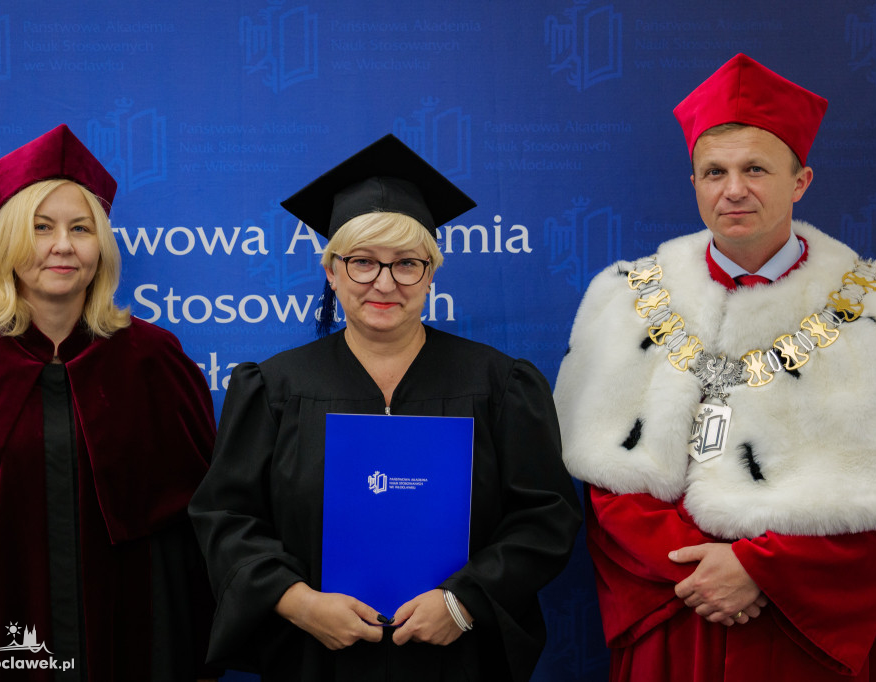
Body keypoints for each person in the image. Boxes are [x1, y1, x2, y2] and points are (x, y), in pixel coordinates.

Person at [553, 53, 876, 681]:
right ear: (693, 181)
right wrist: (700, 571)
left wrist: (761, 570)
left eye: (756, 169)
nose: (734, 190)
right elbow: (607, 485)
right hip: (674, 611)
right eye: (714, 172)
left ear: (800, 181)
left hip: (799, 625)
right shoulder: (627, 299)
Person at [189, 134, 582, 681]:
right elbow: (227, 518)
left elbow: (545, 518)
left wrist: (464, 602)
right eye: (362, 262)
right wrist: (299, 603)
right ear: (331, 271)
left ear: (431, 273)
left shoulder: (498, 385)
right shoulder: (274, 388)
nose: (384, 282)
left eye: (406, 264)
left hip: (456, 659)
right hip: (315, 656)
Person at [0, 125, 219, 681]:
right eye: (41, 227)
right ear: (8, 243)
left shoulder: (153, 362)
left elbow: (193, 533)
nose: (62, 245)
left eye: (80, 228)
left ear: (101, 247)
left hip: (132, 646)